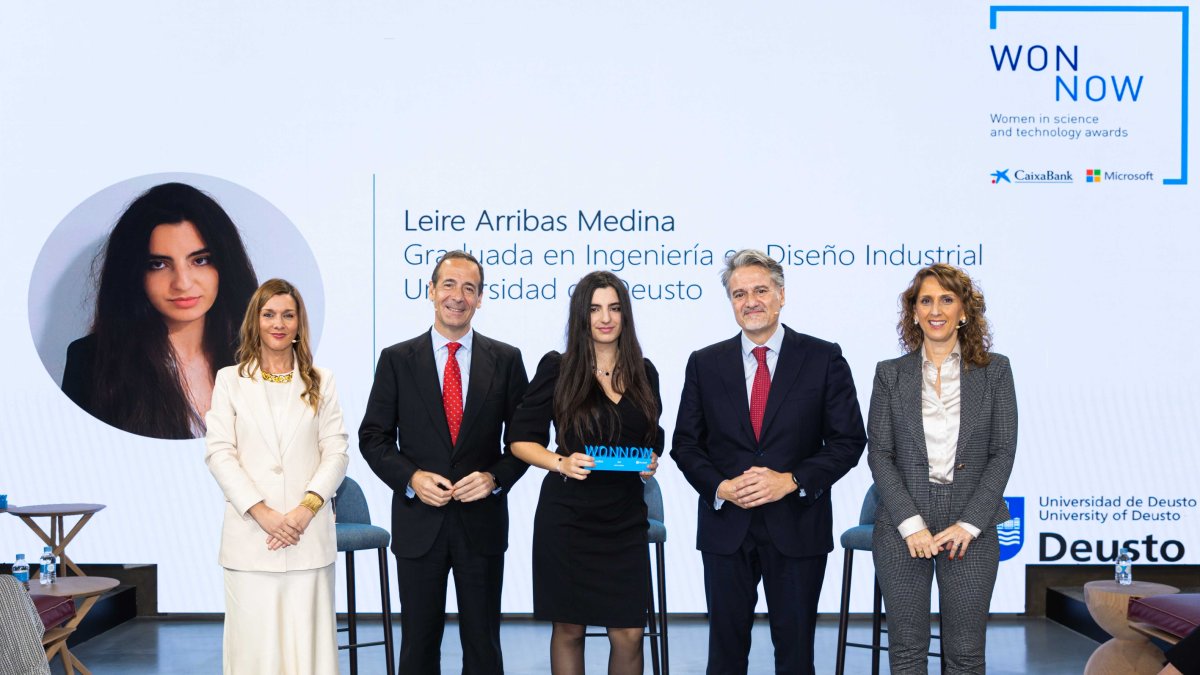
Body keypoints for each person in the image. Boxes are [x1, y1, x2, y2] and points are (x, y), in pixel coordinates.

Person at [671, 249, 866, 675]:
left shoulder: (822, 357)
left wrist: (792, 480)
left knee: (795, 655)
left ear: (781, 295)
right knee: (724, 655)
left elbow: (849, 440)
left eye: (760, 290)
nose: (750, 301)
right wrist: (720, 487)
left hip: (797, 524)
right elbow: (685, 444)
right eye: (739, 294)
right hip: (726, 527)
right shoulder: (704, 363)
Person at [359, 250, 529, 675]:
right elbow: (373, 437)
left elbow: (524, 443)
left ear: (480, 298)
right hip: (420, 523)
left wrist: (494, 478)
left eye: (469, 288)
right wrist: (411, 477)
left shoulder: (507, 360)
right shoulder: (397, 359)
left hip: (482, 525)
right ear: (431, 291)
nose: (458, 296)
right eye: (449, 285)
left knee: (484, 644)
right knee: (417, 644)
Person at [509, 270, 663, 675]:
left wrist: (651, 460)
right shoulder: (557, 368)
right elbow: (520, 440)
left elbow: (653, 436)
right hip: (568, 517)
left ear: (625, 316)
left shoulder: (645, 372)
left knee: (629, 633)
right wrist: (560, 461)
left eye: (614, 308)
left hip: (625, 517)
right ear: (582, 317)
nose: (605, 317)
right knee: (569, 628)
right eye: (595, 309)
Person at [867, 263, 1017, 674]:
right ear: (913, 312)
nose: (936, 309)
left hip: (971, 524)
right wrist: (910, 523)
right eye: (926, 300)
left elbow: (1002, 453)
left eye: (947, 300)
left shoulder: (996, 371)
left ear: (964, 311)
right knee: (907, 652)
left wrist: (970, 524)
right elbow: (879, 454)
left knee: (966, 654)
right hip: (903, 525)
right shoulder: (889, 375)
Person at [205, 279, 348, 675]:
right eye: (269, 314)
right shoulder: (229, 380)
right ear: (256, 321)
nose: (278, 323)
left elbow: (336, 451)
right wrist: (262, 512)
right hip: (252, 540)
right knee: (255, 654)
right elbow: (219, 453)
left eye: (288, 314)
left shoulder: (322, 380)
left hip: (308, 537)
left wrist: (306, 509)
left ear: (300, 323)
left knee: (310, 655)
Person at [62, 182, 258, 439]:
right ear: (134, 274)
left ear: (225, 265)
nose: (183, 283)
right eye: (158, 264)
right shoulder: (90, 361)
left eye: (200, 260)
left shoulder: (265, 355)